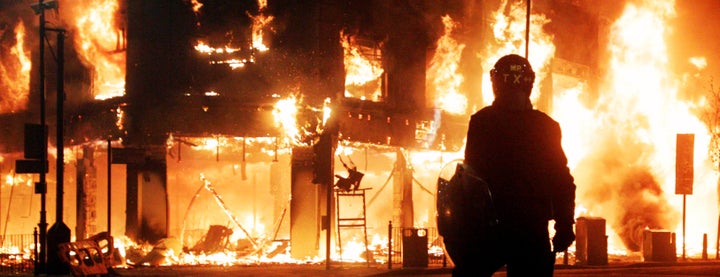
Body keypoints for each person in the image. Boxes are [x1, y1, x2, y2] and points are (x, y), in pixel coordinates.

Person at [446, 54, 577, 276]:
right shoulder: (546, 126)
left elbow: (470, 177)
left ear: (496, 83)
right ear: (530, 84)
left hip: (489, 229)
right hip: (531, 230)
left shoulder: (482, 122)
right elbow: (561, 181)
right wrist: (564, 225)